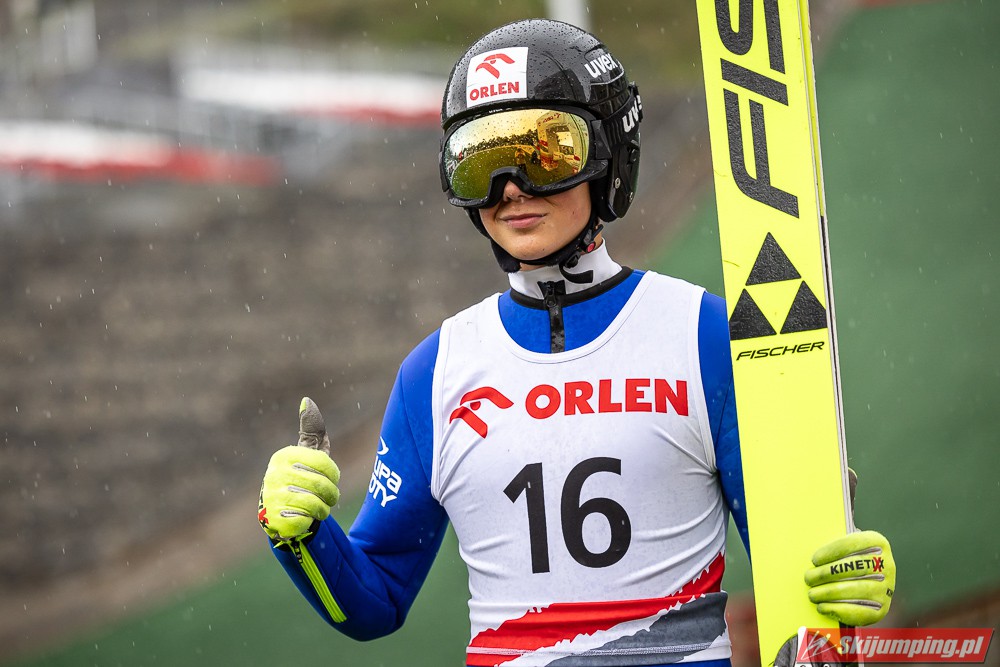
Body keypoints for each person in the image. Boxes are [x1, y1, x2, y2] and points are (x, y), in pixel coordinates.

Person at [257, 19, 896, 667]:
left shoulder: (703, 337)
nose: (510, 187)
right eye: (479, 161)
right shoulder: (434, 372)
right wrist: (301, 536)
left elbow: (799, 566)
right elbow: (374, 602)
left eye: (545, 152)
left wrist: (843, 575)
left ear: (610, 156)